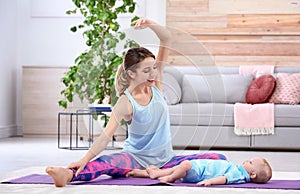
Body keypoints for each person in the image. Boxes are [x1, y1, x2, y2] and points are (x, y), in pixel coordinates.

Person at [46, 18, 226, 187]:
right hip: (134, 158)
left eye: (154, 68)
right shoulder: (125, 102)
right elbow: (105, 137)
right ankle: (67, 174)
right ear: (132, 73)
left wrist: (150, 24)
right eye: (147, 71)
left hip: (166, 160)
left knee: (218, 158)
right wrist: (84, 160)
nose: (153, 74)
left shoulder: (156, 85)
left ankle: (145, 173)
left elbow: (166, 38)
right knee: (104, 164)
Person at [143, 157, 272, 186]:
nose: (246, 161)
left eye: (250, 162)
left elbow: (224, 178)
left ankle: (170, 179)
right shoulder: (239, 169)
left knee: (185, 165)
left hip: (201, 173)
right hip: (201, 166)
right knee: (179, 167)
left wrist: (210, 181)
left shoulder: (239, 174)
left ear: (252, 174)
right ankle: (157, 173)